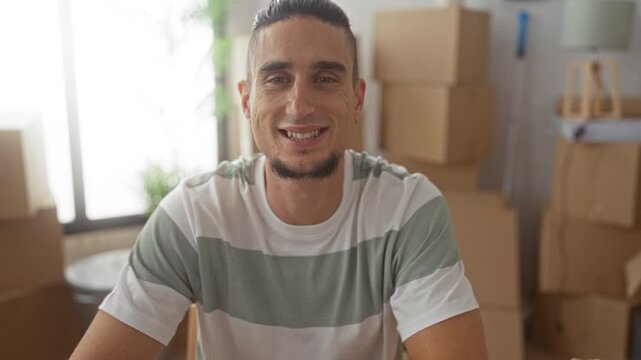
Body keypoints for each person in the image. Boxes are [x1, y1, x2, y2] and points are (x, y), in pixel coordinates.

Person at [70, 0, 489, 359]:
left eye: (325, 78)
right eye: (277, 79)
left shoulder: (407, 209)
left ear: (356, 98)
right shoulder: (196, 214)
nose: (300, 104)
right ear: (248, 100)